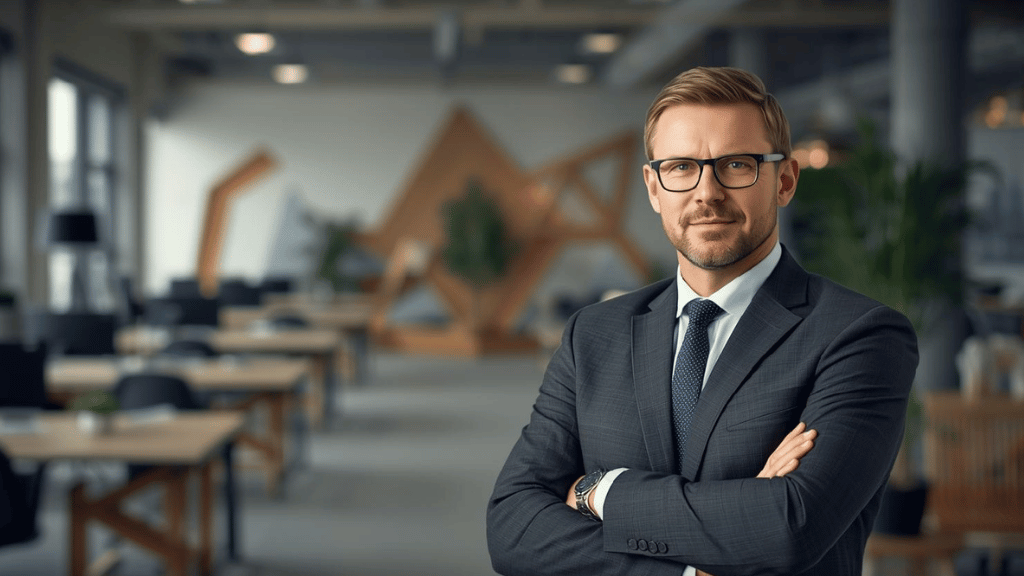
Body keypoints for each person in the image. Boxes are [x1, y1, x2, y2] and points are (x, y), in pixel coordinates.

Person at [486, 66, 918, 576]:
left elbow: (788, 528)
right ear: (653, 186)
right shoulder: (593, 334)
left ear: (784, 180)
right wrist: (697, 562)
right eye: (681, 167)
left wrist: (598, 490)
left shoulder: (860, 335)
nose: (706, 192)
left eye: (736, 165)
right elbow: (512, 527)